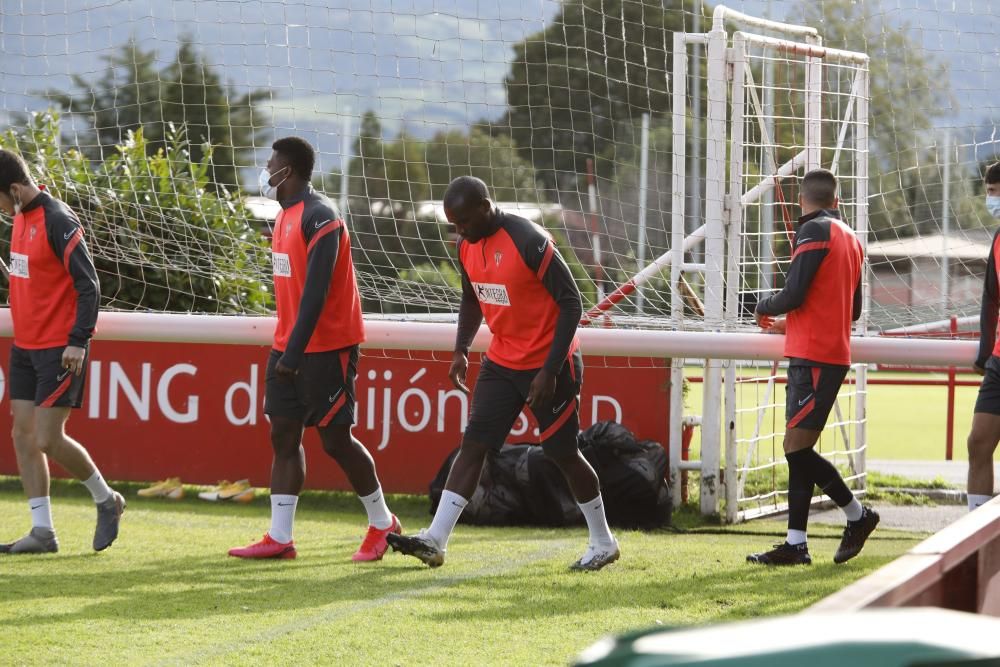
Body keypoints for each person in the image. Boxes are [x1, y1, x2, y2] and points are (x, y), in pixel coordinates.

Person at [387, 176, 619, 571]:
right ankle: (435, 540)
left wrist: (548, 370)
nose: (459, 231)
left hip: (551, 364)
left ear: (484, 206)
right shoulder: (466, 245)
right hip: (501, 360)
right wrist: (461, 348)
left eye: (463, 221)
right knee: (474, 445)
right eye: (453, 224)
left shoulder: (528, 239)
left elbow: (571, 304)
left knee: (562, 452)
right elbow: (471, 297)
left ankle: (603, 541)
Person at [229, 137, 399, 561]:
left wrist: (294, 353)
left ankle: (383, 524)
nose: (266, 169)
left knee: (336, 440)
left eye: (271, 163)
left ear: (288, 170)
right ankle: (280, 537)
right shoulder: (283, 217)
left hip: (327, 348)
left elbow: (317, 294)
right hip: (288, 345)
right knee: (283, 435)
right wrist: (286, 349)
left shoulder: (321, 216)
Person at [747, 168, 878, 566]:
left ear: (802, 201)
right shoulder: (852, 239)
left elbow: (794, 293)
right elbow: (851, 310)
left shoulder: (814, 231)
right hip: (824, 352)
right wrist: (796, 321)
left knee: (795, 449)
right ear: (836, 200)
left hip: (815, 356)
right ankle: (796, 543)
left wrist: (762, 308)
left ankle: (858, 515)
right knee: (797, 449)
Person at [0, 148, 124, 554]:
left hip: (59, 348)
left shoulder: (57, 219)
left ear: (15, 190)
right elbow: (30, 276)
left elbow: (89, 286)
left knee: (48, 439)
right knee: (22, 435)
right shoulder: (19, 216)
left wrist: (79, 340)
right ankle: (42, 532)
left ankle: (107, 500)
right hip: (25, 346)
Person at [966, 161, 1000, 512]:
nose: (989, 200)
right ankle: (973, 535)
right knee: (978, 443)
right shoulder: (999, 239)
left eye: (993, 192)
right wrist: (984, 351)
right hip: (999, 363)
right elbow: (991, 297)